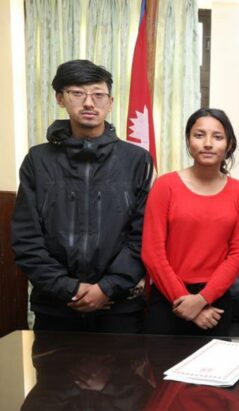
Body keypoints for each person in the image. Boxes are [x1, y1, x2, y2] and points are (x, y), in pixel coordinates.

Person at [11, 59, 153, 333]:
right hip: (55, 307)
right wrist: (70, 289)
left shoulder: (136, 160)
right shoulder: (38, 160)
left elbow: (143, 236)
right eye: (77, 93)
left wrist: (106, 288)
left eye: (98, 94)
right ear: (60, 98)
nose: (89, 103)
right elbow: (26, 238)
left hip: (119, 309)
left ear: (110, 103)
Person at [141, 108, 239, 336]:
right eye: (199, 135)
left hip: (215, 304)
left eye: (217, 137)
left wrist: (202, 300)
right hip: (167, 299)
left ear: (229, 144)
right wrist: (185, 302)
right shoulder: (165, 186)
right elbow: (152, 253)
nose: (208, 143)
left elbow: (237, 255)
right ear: (188, 141)